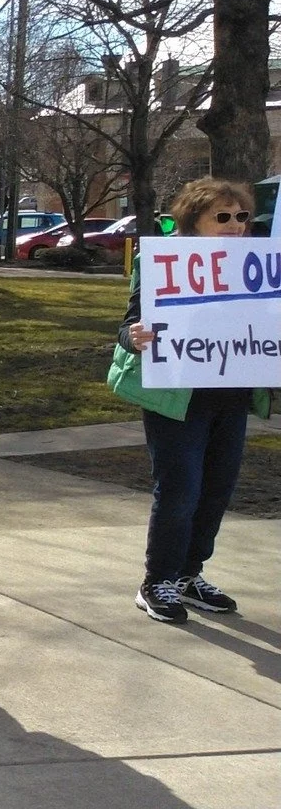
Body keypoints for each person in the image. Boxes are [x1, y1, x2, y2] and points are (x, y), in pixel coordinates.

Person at [111, 177, 269, 624]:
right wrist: (135, 337)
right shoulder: (164, 261)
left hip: (232, 395)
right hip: (175, 394)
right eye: (223, 217)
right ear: (193, 219)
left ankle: (188, 575)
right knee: (181, 489)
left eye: (241, 217)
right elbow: (129, 325)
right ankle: (156, 580)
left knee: (217, 489)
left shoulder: (256, 263)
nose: (236, 225)